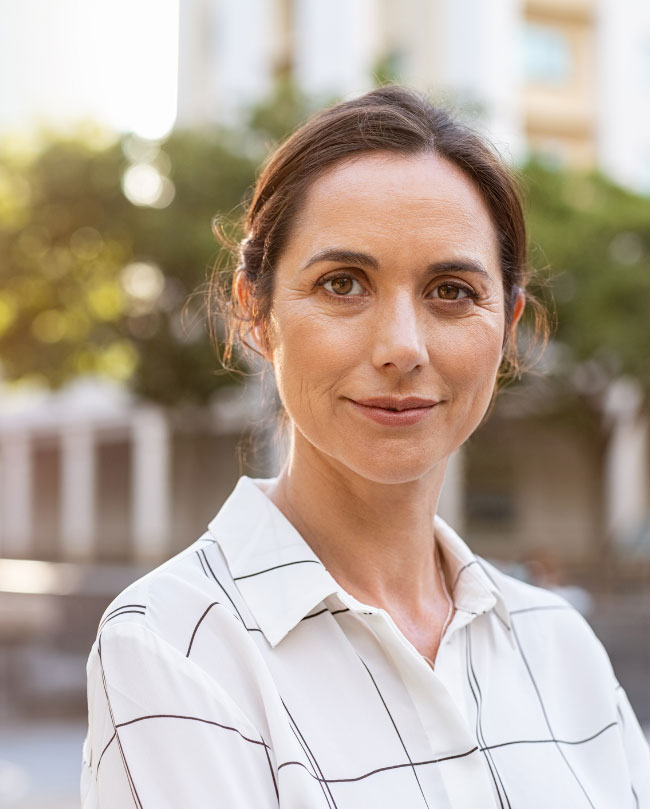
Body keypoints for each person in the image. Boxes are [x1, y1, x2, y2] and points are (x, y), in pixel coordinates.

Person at [81, 86, 650, 808]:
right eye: (343, 283)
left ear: (507, 323)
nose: (402, 348)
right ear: (256, 311)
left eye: (450, 290)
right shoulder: (174, 645)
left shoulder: (562, 646)